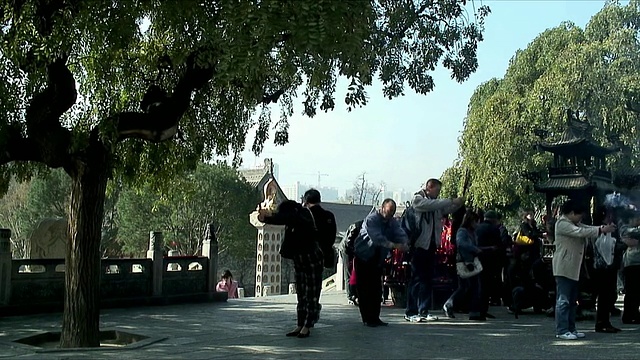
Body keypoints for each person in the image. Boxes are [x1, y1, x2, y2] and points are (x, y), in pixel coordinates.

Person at [553, 199, 616, 340]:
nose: (581, 217)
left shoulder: (574, 222)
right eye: (579, 214)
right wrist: (601, 229)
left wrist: (601, 228)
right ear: (571, 213)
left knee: (573, 300)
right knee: (563, 300)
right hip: (564, 267)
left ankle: (571, 328)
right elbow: (580, 232)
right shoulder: (562, 223)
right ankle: (562, 330)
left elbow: (586, 228)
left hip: (575, 267)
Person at [258, 199, 321, 338]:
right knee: (301, 292)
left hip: (311, 258)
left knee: (311, 293)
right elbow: (281, 219)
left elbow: (285, 218)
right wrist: (264, 217)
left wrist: (269, 216)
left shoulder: (302, 214)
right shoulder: (295, 215)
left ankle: (308, 324)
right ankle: (300, 323)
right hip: (299, 258)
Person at [405, 179, 463, 323]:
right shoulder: (418, 199)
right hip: (419, 246)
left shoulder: (435, 204)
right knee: (416, 280)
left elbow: (444, 210)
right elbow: (432, 205)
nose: (438, 194)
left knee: (427, 280)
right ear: (429, 188)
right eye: (437, 190)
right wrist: (451, 200)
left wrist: (457, 204)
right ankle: (410, 311)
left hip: (431, 245)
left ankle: (423, 310)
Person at [354, 198, 409, 327]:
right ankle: (367, 318)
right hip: (364, 256)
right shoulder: (372, 220)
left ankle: (375, 317)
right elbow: (377, 238)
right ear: (382, 208)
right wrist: (395, 245)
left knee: (376, 289)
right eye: (388, 211)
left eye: (392, 213)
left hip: (377, 259)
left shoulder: (392, 222)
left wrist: (404, 242)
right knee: (364, 289)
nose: (389, 215)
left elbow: (399, 232)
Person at [443, 210, 483, 320]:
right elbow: (461, 244)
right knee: (466, 287)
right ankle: (450, 304)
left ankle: (474, 311)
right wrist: (475, 249)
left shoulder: (472, 232)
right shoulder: (462, 231)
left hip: (472, 261)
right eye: (476, 222)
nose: (477, 224)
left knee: (471, 287)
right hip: (464, 262)